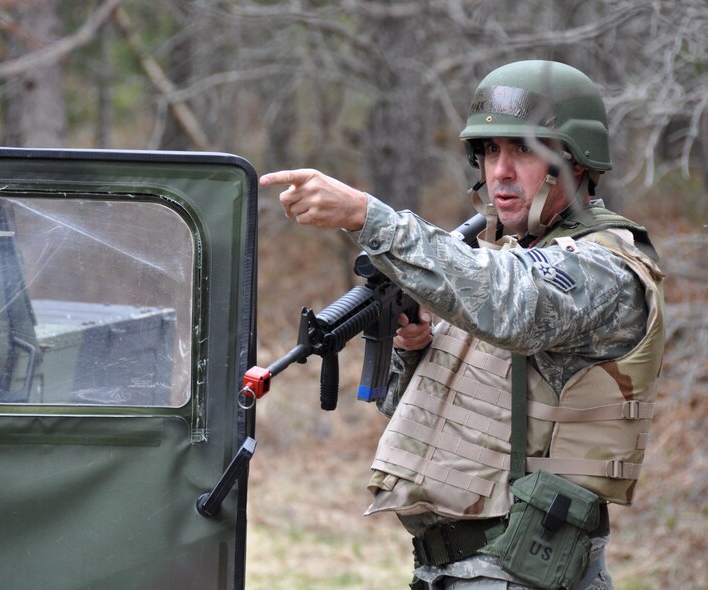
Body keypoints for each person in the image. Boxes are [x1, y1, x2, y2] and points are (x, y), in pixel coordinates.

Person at [261, 60, 665, 590]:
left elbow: (516, 303)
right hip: (445, 569)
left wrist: (368, 216)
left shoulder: (605, 266)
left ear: (575, 161)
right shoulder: (492, 259)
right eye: (491, 151)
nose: (500, 170)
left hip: (527, 569)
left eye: (523, 150)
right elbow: (405, 411)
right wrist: (416, 345)